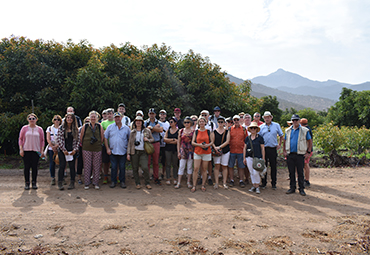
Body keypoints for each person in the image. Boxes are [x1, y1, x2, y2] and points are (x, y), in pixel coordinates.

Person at [283, 114, 312, 196]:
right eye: (293, 120)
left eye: (296, 120)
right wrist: (284, 151)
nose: (295, 122)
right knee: (291, 172)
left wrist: (308, 152)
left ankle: (301, 189)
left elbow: (309, 141)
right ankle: (292, 188)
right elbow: (285, 141)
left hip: (300, 154)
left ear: (299, 121)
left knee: (300, 172)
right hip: (290, 154)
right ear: (291, 121)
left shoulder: (304, 130)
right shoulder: (288, 130)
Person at [104, 112, 131, 188]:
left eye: (118, 117)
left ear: (121, 118)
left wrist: (128, 151)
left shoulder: (126, 128)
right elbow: (105, 137)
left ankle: (122, 181)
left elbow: (129, 139)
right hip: (113, 151)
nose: (117, 119)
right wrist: (107, 148)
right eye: (116, 117)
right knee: (114, 167)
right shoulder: (110, 127)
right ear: (114, 118)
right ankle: (113, 181)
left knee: (122, 167)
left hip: (123, 151)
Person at [18, 113, 45, 190]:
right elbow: (20, 139)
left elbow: (42, 140)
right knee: (26, 167)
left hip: (36, 151)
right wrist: (21, 149)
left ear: (36, 120)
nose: (32, 120)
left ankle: (34, 182)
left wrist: (42, 150)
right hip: (26, 150)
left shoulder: (40, 129)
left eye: (33, 118)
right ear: (28, 120)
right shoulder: (24, 128)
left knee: (34, 167)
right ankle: (27, 183)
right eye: (30, 119)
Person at [127, 116, 154, 189]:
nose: (138, 122)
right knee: (135, 168)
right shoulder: (132, 132)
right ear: (135, 122)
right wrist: (128, 153)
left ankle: (147, 182)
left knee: (145, 167)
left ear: (142, 122)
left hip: (143, 151)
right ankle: (137, 183)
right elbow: (130, 143)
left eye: (140, 121)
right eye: (137, 121)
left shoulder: (147, 130)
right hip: (134, 151)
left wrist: (147, 140)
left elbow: (152, 139)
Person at [258, 111, 283, 190]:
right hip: (264, 149)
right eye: (265, 117)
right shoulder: (261, 127)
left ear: (271, 117)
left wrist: (279, 144)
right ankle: (264, 183)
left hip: (273, 148)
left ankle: (273, 183)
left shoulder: (276, 125)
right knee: (263, 166)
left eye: (268, 117)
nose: (267, 119)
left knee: (273, 166)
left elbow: (281, 135)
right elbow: (260, 138)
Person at [80, 111, 104, 190]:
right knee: (87, 166)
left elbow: (102, 137)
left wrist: (98, 144)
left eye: (94, 117)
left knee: (96, 166)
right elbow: (81, 137)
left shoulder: (99, 126)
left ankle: (95, 183)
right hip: (86, 148)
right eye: (92, 117)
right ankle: (87, 183)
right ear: (89, 118)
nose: (93, 118)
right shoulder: (85, 126)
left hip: (97, 148)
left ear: (97, 118)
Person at [56, 113, 80, 190]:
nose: (69, 119)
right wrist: (63, 150)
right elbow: (58, 139)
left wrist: (75, 149)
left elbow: (78, 140)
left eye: (71, 118)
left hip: (72, 150)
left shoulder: (76, 129)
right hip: (63, 150)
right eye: (68, 118)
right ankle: (60, 182)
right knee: (62, 166)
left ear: (73, 119)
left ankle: (72, 182)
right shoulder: (61, 128)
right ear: (65, 119)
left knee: (72, 167)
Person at [191, 116, 214, 192]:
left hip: (206, 152)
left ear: (205, 122)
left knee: (204, 169)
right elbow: (193, 142)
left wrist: (208, 145)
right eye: (200, 121)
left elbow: (212, 141)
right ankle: (194, 185)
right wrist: (200, 145)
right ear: (198, 123)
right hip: (198, 152)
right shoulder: (196, 131)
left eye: (203, 121)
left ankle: (203, 185)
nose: (201, 123)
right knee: (196, 169)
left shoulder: (208, 131)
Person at [243, 122, 265, 194]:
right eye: (251, 128)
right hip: (249, 157)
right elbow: (244, 148)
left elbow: (262, 148)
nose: (253, 129)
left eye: (254, 128)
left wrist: (263, 158)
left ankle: (257, 185)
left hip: (257, 157)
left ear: (256, 129)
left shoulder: (260, 138)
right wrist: (244, 158)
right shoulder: (247, 138)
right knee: (251, 172)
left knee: (256, 172)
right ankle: (254, 185)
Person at [144, 108, 164, 185]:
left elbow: (161, 130)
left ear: (155, 114)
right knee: (148, 162)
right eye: (150, 113)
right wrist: (156, 128)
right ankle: (147, 178)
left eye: (153, 113)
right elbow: (145, 131)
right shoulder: (145, 122)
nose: (151, 115)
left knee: (156, 162)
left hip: (156, 143)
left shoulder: (158, 122)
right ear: (148, 114)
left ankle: (156, 178)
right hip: (148, 143)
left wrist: (151, 128)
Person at [228, 115, 248, 188]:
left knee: (241, 166)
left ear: (240, 120)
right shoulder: (230, 129)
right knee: (231, 166)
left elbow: (246, 140)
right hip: (232, 150)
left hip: (241, 150)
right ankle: (232, 180)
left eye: (237, 120)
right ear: (233, 121)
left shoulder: (243, 129)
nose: (236, 121)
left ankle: (241, 180)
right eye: (235, 120)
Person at [176, 117, 194, 189]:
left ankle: (188, 182)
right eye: (185, 122)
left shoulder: (193, 131)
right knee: (181, 166)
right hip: (183, 150)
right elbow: (178, 142)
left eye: (188, 122)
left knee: (189, 166)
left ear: (190, 123)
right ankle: (179, 182)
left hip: (190, 150)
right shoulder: (181, 131)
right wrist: (178, 152)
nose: (187, 124)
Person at [198, 110, 215, 186]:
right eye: (202, 115)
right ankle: (202, 177)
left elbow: (213, 135)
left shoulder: (212, 124)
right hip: (200, 146)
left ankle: (209, 177)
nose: (204, 116)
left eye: (205, 115)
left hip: (209, 146)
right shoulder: (199, 124)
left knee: (210, 163)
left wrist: (211, 144)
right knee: (202, 162)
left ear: (208, 116)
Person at [212, 117, 230, 189]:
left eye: (222, 122)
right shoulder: (214, 132)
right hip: (216, 152)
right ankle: (216, 183)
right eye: (219, 122)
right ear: (217, 123)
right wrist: (215, 148)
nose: (220, 123)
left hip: (225, 151)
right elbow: (212, 141)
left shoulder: (227, 132)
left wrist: (219, 147)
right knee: (217, 166)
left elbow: (227, 141)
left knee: (224, 166)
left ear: (224, 123)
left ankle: (224, 182)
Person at [46, 115, 62, 185]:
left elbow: (62, 138)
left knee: (61, 163)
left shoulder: (62, 128)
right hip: (51, 148)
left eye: (58, 119)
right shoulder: (49, 128)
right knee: (52, 163)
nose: (57, 121)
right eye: (55, 119)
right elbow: (48, 138)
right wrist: (52, 146)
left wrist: (57, 146)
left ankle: (61, 178)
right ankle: (53, 178)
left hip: (60, 147)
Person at [101, 108, 115, 184]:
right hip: (105, 144)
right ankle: (105, 176)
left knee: (115, 162)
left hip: (114, 145)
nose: (109, 115)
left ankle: (116, 176)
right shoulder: (103, 123)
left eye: (110, 114)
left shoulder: (116, 122)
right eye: (108, 114)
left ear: (113, 114)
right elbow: (102, 133)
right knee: (105, 162)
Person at [163, 117, 179, 185]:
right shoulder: (168, 130)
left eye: (171, 122)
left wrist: (169, 141)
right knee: (168, 164)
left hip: (175, 149)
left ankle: (175, 178)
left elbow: (178, 141)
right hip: (168, 149)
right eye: (169, 122)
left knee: (175, 164)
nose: (170, 123)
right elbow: (164, 139)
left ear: (175, 123)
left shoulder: (179, 131)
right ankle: (168, 178)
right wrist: (173, 140)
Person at [76, 117, 90, 184]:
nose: (87, 122)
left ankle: (88, 178)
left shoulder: (93, 128)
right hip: (81, 147)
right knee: (80, 163)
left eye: (88, 121)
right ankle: (79, 178)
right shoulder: (80, 129)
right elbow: (77, 139)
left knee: (89, 164)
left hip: (90, 148)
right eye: (86, 121)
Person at [300, 118, 313, 187]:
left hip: (306, 150)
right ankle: (305, 179)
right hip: (307, 150)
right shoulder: (308, 129)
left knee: (305, 164)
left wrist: (308, 151)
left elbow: (309, 141)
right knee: (305, 164)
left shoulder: (306, 130)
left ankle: (307, 180)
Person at [158, 109, 170, 180]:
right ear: (159, 115)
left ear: (165, 115)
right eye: (161, 114)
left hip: (165, 144)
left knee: (164, 160)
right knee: (156, 159)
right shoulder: (156, 122)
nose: (162, 115)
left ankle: (163, 173)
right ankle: (155, 173)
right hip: (157, 143)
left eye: (163, 114)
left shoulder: (168, 123)